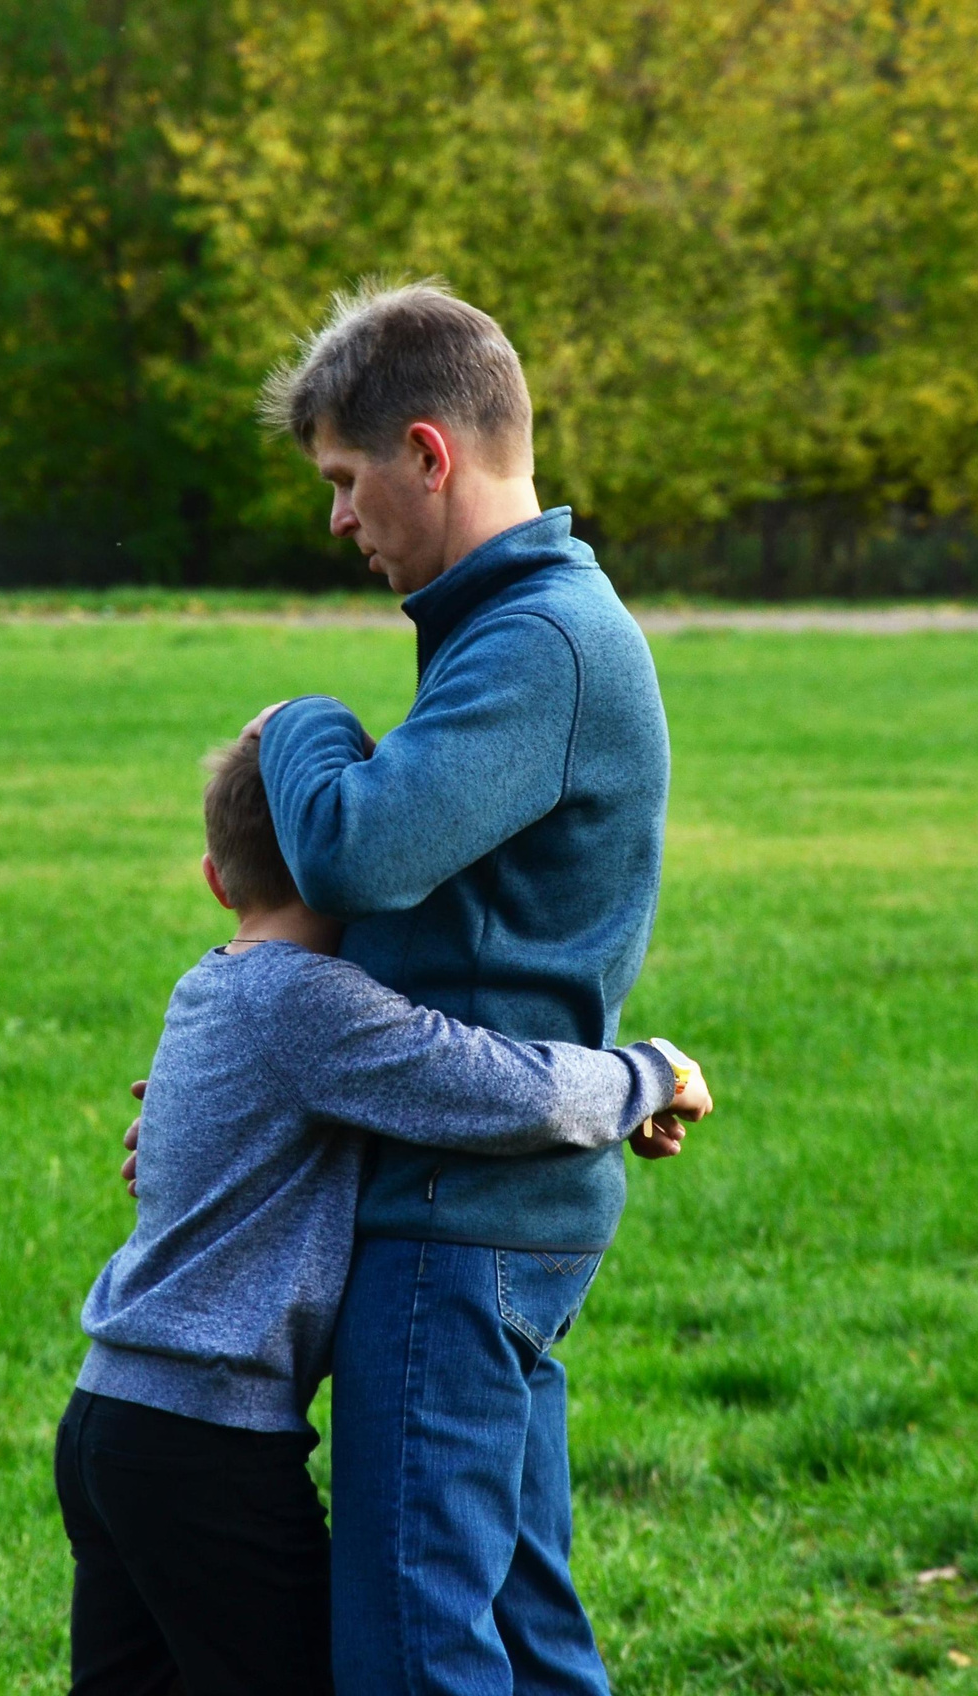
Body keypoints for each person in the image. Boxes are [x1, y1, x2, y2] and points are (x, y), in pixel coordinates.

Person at [59, 736, 711, 1696]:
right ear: (363, 873)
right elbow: (496, 1088)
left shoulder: (213, 983)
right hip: (211, 1446)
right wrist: (651, 1073)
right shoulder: (315, 1006)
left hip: (109, 1419)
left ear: (213, 878)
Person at [245, 279, 678, 1696]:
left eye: (346, 480)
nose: (339, 520)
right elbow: (458, 937)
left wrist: (299, 726)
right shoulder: (519, 625)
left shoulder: (536, 640)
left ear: (428, 454)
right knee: (518, 1626)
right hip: (493, 1201)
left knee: (415, 1644)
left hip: (458, 1217)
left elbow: (364, 851)